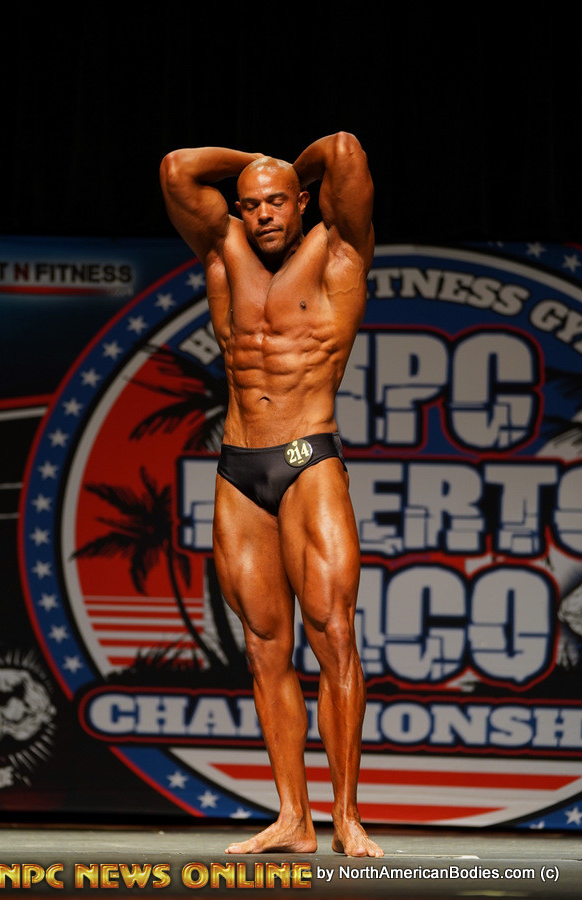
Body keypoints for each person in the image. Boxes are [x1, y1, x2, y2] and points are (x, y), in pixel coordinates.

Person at [160, 132, 383, 858]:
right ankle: (294, 818)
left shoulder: (339, 249)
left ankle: (347, 817)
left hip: (307, 457)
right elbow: (177, 170)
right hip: (238, 468)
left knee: (334, 636)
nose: (261, 214)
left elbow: (343, 150)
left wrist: (284, 166)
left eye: (276, 201)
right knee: (264, 649)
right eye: (251, 204)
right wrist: (255, 169)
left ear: (303, 201)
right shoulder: (222, 247)